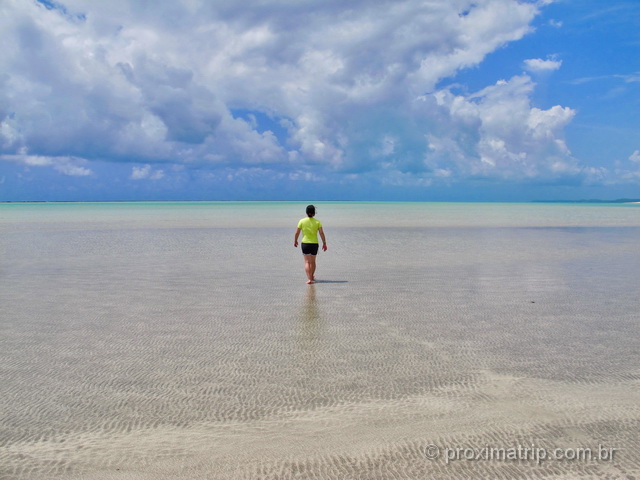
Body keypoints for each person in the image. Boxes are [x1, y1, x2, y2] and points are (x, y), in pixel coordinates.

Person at [294, 205, 327, 284]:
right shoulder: (317, 222)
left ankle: (309, 279)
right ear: (314, 213)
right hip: (314, 244)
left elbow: (297, 232)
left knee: (307, 262)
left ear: (306, 212)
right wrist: (324, 243)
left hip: (305, 244)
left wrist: (295, 240)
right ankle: (311, 276)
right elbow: (321, 233)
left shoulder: (301, 221)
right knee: (313, 262)